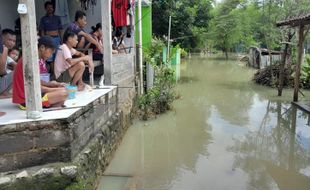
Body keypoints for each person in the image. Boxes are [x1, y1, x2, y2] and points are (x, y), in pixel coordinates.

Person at [12, 36, 68, 109]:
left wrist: (51, 84)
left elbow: (35, 81)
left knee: (60, 96)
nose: (51, 55)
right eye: (51, 52)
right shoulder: (31, 61)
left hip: (31, 95)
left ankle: (48, 106)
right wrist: (55, 89)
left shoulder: (34, 59)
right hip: (27, 101)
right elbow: (34, 87)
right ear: (42, 47)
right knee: (64, 93)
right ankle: (46, 106)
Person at [0, 28, 17, 98]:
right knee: (21, 71)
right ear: (2, 38)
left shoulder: (6, 54)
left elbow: (15, 65)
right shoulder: (4, 49)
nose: (12, 43)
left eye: (14, 41)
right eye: (9, 40)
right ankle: (4, 93)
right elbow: (1, 72)